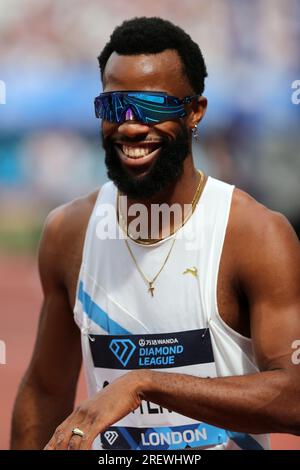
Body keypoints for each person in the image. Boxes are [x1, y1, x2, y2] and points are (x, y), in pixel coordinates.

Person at [11, 17, 300, 451]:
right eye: (115, 107)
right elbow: (46, 390)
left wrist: (144, 384)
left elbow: (294, 399)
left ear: (195, 111)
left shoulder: (253, 234)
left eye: (154, 106)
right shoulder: (68, 233)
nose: (130, 126)